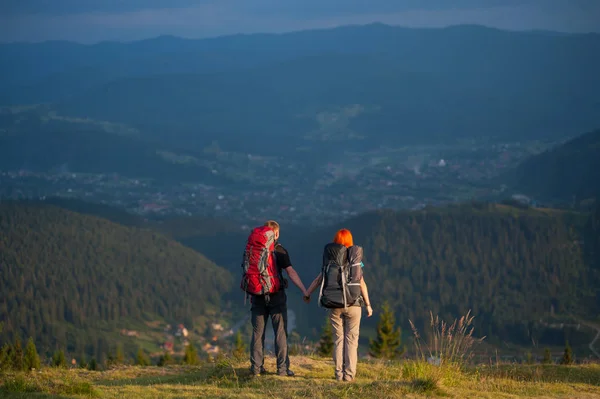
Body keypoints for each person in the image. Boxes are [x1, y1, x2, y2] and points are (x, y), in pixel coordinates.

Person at [304, 228, 373, 382]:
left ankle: (338, 374)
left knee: (338, 340)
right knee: (352, 340)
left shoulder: (331, 260)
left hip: (334, 304)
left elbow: (318, 280)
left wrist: (307, 293)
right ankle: (349, 376)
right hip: (354, 304)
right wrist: (368, 305)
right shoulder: (356, 260)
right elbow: (361, 283)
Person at [249, 220, 308, 377]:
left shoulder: (254, 248)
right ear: (276, 233)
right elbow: (291, 272)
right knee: (280, 333)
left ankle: (256, 368)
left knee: (257, 333)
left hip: (257, 296)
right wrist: (304, 290)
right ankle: (282, 369)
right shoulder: (279, 250)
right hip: (276, 296)